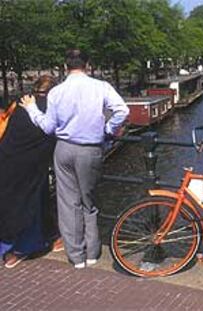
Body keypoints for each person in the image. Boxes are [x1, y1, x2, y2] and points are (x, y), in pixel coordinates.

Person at [21, 49, 129, 269]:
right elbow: (122, 110)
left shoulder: (56, 92)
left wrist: (32, 109)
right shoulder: (101, 87)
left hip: (64, 149)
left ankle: (76, 256)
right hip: (91, 150)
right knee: (89, 202)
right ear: (88, 65)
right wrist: (107, 129)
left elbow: (48, 127)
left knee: (68, 203)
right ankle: (93, 252)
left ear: (64, 66)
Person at [0, 75, 62, 268]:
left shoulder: (19, 105)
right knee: (25, 205)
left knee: (11, 202)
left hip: (7, 158)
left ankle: (48, 236)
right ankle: (17, 251)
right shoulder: (52, 108)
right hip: (30, 166)